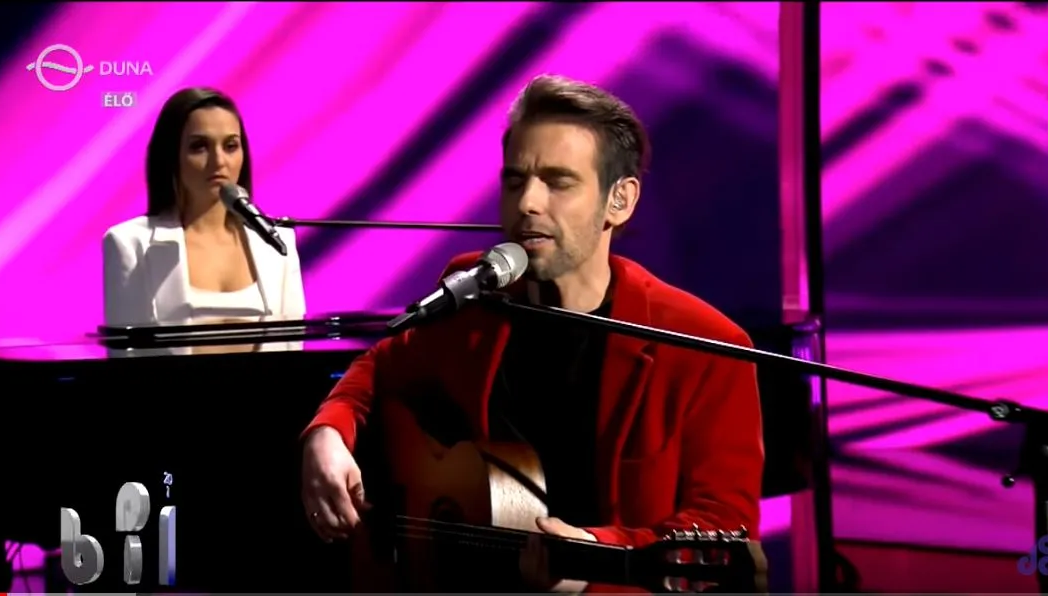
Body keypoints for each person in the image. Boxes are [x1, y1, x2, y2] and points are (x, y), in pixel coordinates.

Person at [300, 75, 764, 591]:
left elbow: (723, 527)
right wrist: (327, 434)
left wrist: (592, 560)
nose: (527, 203)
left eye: (558, 182)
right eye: (515, 180)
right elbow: (380, 366)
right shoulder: (474, 292)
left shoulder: (706, 345)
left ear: (620, 200)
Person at [102, 87, 306, 327]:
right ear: (170, 156)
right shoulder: (129, 244)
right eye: (199, 146)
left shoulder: (277, 241)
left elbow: (293, 345)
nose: (219, 161)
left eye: (230, 146)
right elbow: (127, 349)